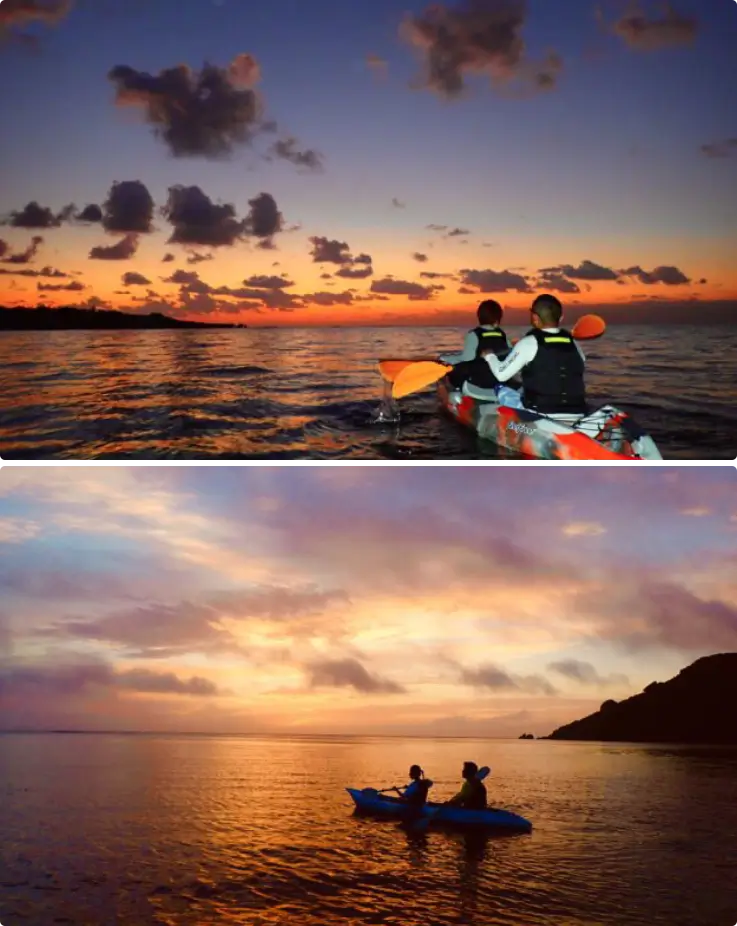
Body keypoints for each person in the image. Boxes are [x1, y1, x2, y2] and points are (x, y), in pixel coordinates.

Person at [482, 294, 587, 415]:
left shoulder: (528, 342)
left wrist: (490, 356)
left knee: (502, 390)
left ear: (535, 317)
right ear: (561, 317)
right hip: (577, 412)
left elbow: (501, 375)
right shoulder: (574, 343)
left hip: (539, 412)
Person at [439, 300, 512, 391]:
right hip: (498, 380)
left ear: (479, 317)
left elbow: (467, 358)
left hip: (479, 381)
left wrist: (445, 358)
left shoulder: (474, 334)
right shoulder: (503, 335)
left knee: (449, 370)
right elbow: (510, 353)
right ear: (498, 318)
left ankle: (448, 394)